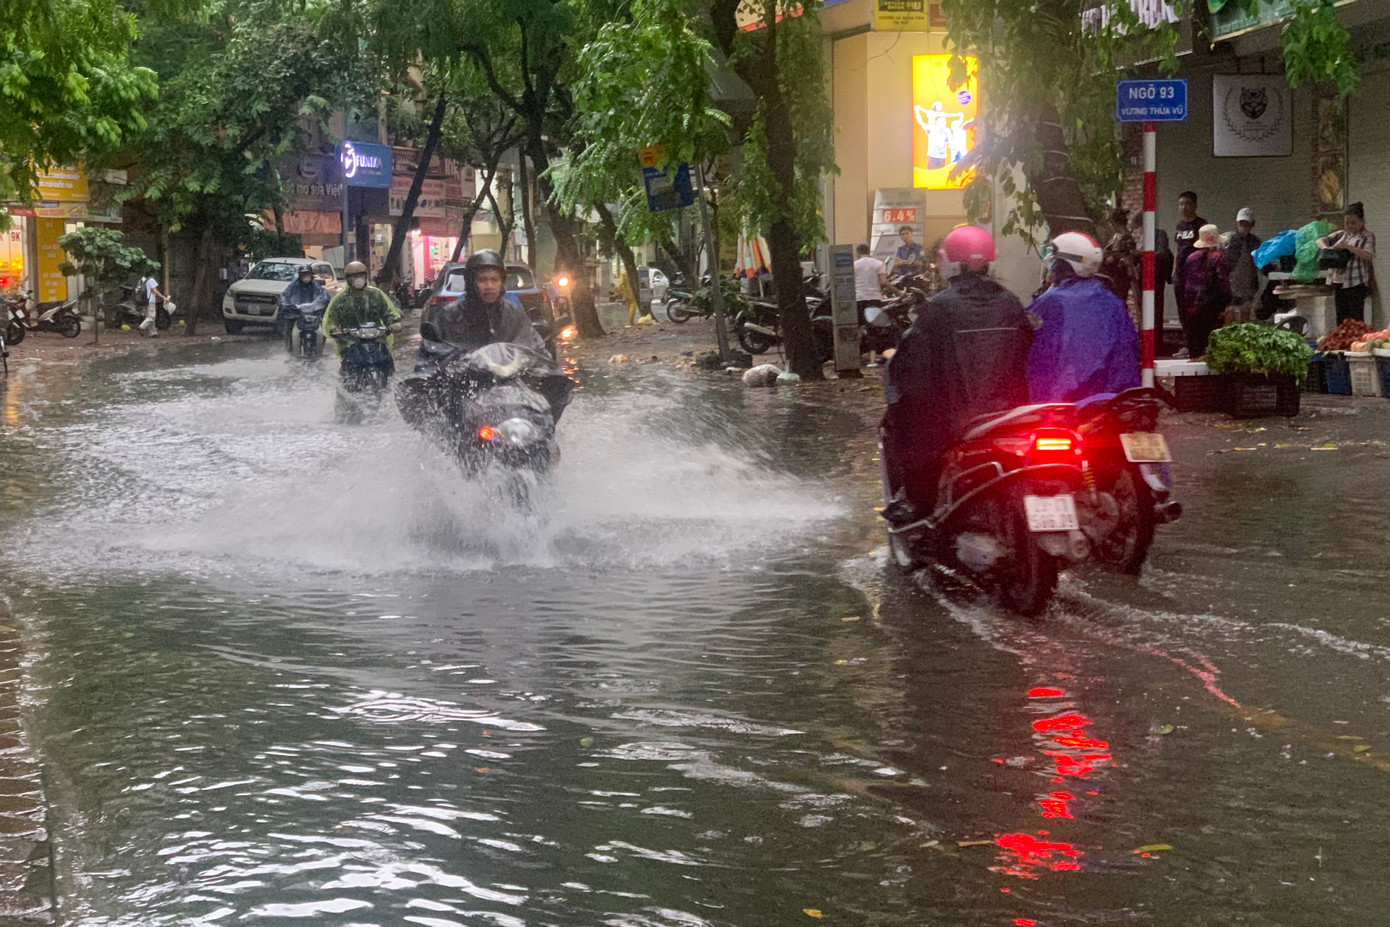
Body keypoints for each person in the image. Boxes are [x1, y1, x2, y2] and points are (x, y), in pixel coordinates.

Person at [882, 225, 1033, 518]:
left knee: (905, 419)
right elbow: (1027, 347)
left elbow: (914, 366)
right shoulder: (1011, 302)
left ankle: (917, 503)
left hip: (955, 419)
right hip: (1009, 415)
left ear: (950, 262)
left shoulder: (939, 308)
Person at [416, 249, 571, 420]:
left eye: (494, 280)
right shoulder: (449, 316)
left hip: (511, 389)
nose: (489, 286)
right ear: (471, 282)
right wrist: (452, 366)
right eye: (482, 280)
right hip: (465, 391)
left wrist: (544, 367)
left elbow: (535, 347)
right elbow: (430, 357)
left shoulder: (515, 314)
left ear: (501, 282)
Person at [1026, 231, 1140, 403]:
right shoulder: (1110, 299)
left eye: (1055, 262)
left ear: (1064, 265)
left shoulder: (1051, 302)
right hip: (1111, 400)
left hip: (1060, 403)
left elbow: (1028, 345)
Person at [322, 260, 402, 366]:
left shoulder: (376, 295)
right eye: (354, 276)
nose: (358, 279)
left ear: (366, 276)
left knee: (386, 361)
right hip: (351, 342)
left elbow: (388, 312)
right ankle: (349, 380)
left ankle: (388, 379)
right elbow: (331, 320)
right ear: (348, 279)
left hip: (376, 339)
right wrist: (334, 329)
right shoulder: (340, 300)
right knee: (350, 363)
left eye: (361, 275)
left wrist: (393, 323)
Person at [1316, 201, 1376, 324]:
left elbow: (1368, 255)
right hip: (1339, 281)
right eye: (1347, 223)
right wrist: (1327, 250)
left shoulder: (1367, 236)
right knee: (1341, 317)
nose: (1350, 226)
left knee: (1356, 317)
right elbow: (1320, 240)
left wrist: (1348, 247)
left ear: (1362, 221)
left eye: (1353, 223)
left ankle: (1356, 340)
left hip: (1355, 282)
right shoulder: (1342, 234)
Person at [1180, 224, 1230, 360]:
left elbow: (1183, 281)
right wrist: (1225, 304)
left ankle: (1192, 373)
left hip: (1191, 307)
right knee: (1210, 345)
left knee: (1195, 344)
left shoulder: (1191, 258)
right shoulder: (1220, 257)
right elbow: (1223, 283)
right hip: (1212, 306)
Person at [1171, 191, 1207, 358]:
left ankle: (1196, 344)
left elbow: (1206, 249)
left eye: (1187, 203)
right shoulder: (1179, 226)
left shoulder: (1201, 225)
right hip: (1180, 274)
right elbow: (1178, 250)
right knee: (1182, 311)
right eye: (1181, 204)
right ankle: (1186, 344)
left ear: (1194, 205)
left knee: (1194, 310)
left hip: (1195, 275)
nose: (1184, 207)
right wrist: (1174, 271)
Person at [1224, 207, 1262, 324]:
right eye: (1241, 223)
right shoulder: (1228, 240)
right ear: (1237, 223)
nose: (1244, 227)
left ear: (1252, 224)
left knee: (1246, 318)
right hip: (1230, 286)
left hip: (1248, 286)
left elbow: (1262, 262)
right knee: (1229, 316)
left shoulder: (1255, 242)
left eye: (1247, 224)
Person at [277, 265, 329, 344]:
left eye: (308, 274)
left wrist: (316, 305)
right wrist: (288, 305)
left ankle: (321, 345)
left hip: (314, 314)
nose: (306, 277)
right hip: (295, 313)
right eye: (304, 275)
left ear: (311, 275)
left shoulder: (316, 286)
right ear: (300, 275)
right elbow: (284, 296)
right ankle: (289, 344)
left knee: (324, 327)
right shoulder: (293, 286)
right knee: (288, 326)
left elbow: (324, 296)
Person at [1101, 207, 1139, 308]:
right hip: (1112, 275)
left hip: (1119, 275)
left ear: (1114, 222)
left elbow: (1127, 256)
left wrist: (1110, 258)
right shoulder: (1117, 236)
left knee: (1119, 300)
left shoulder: (1125, 238)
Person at [854, 243, 893, 322]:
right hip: (875, 298)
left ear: (858, 253)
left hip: (859, 298)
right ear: (869, 252)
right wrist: (898, 292)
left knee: (861, 323)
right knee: (875, 324)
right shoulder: (878, 263)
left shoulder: (854, 265)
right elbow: (883, 282)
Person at [139, 269, 167, 338]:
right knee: (152, 317)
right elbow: (154, 291)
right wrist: (163, 297)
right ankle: (141, 327)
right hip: (150, 300)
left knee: (149, 317)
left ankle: (153, 333)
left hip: (143, 301)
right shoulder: (151, 280)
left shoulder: (141, 280)